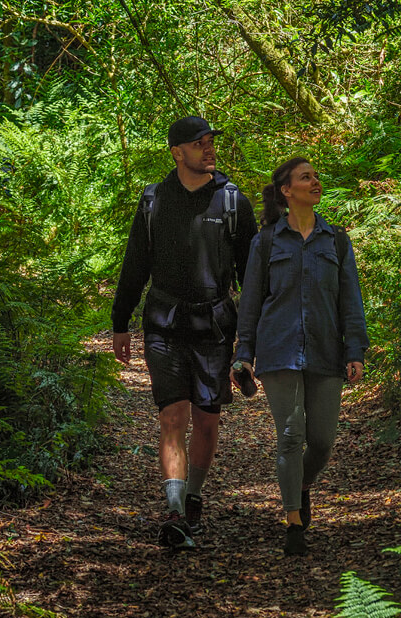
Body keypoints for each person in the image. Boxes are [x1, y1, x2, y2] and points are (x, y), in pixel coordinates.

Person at [111, 116, 256, 549]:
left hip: (214, 325)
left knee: (206, 421)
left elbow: (251, 277)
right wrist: (120, 322)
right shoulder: (154, 201)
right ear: (177, 152)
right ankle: (174, 512)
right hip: (164, 323)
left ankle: (193, 496)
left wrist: (252, 341)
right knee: (172, 417)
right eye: (198, 143)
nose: (208, 149)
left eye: (210, 141)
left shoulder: (233, 202)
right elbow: (135, 263)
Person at [232, 157, 368, 556]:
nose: (315, 182)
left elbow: (350, 300)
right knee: (291, 436)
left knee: (322, 442)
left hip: (326, 351)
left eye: (316, 176)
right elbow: (251, 303)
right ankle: (293, 521)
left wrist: (355, 349)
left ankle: (302, 484)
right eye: (305, 177)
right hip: (278, 351)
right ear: (287, 191)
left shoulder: (335, 240)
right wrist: (244, 354)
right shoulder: (266, 242)